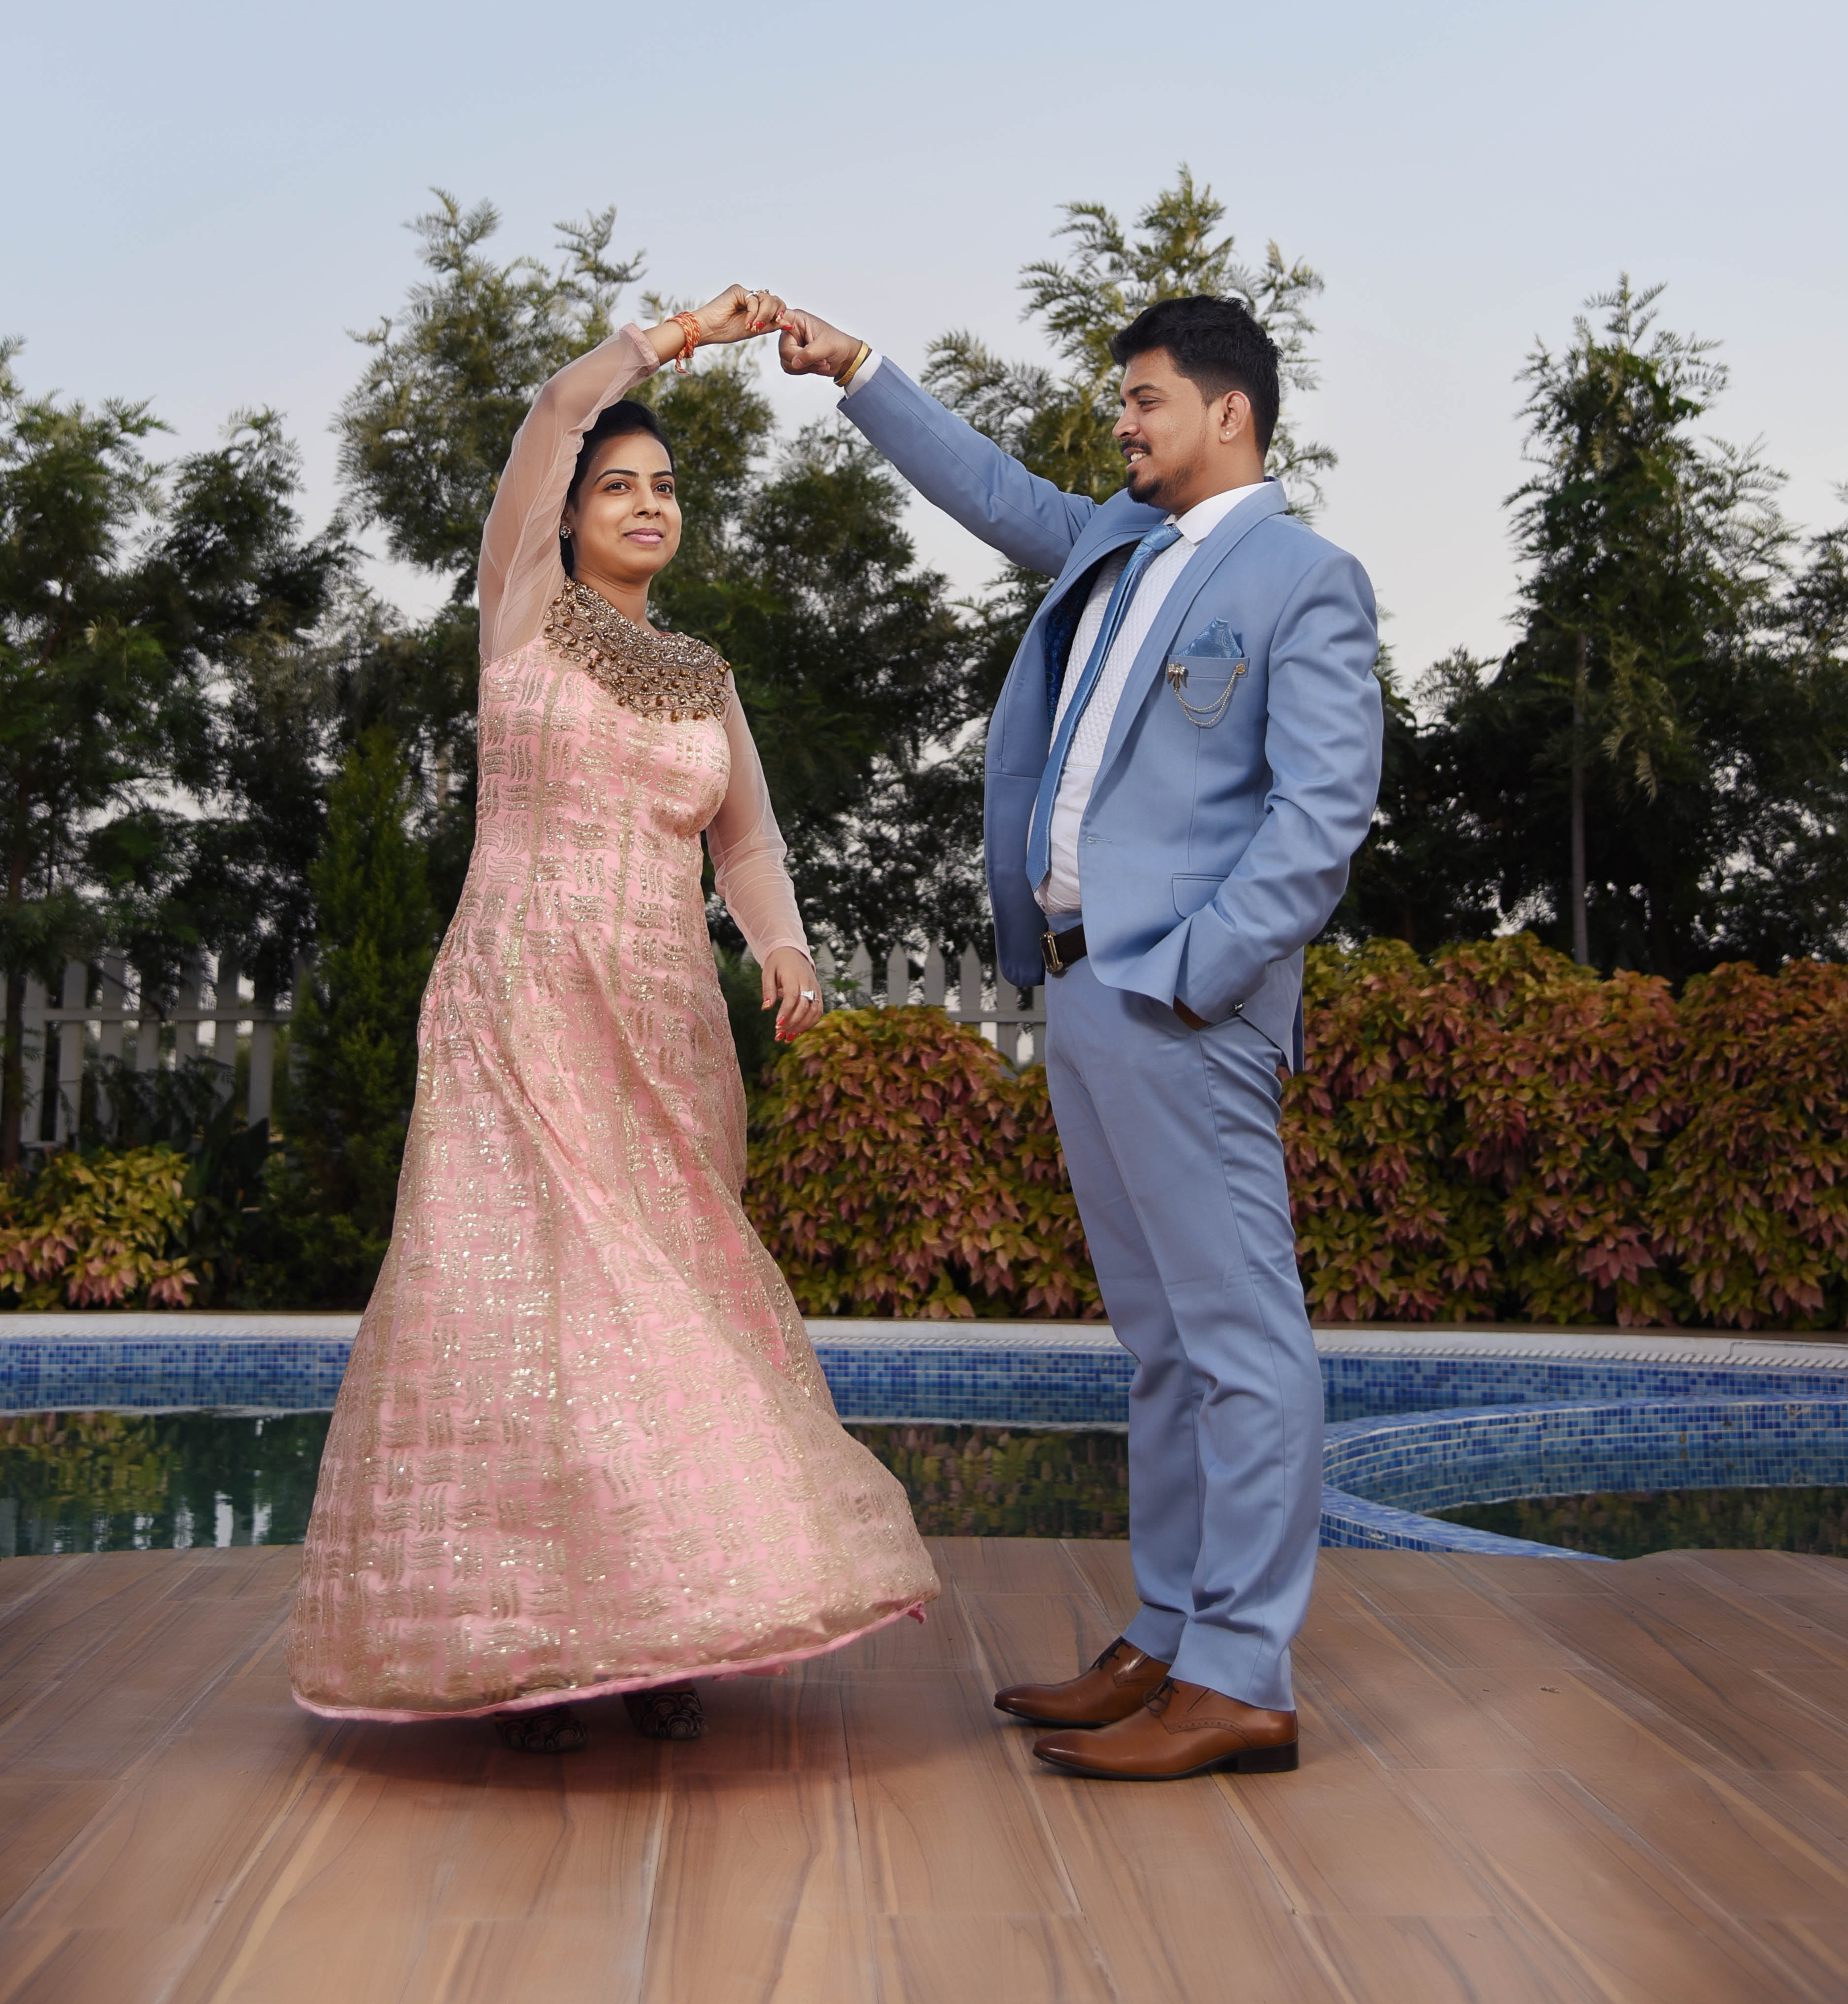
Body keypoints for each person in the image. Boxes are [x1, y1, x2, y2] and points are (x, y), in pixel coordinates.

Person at [288, 284, 937, 1751]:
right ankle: (524, 1647)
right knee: (522, 1311)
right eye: (619, 485)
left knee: (661, 1313)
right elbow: (550, 411)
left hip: (661, 1025)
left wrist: (783, 947)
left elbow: (747, 840)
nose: (649, 506)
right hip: (517, 1005)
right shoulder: (521, 615)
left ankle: (662, 1634)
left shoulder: (704, 677)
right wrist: (672, 341)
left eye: (667, 487)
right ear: (568, 514)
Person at [781, 294, 1380, 1784]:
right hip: (1081, 990)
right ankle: (1172, 1635)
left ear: (1230, 412)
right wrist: (856, 368)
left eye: (1146, 399)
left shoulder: (1304, 579)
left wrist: (1189, 974)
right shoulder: (1114, 543)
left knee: (1241, 1343)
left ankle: (1241, 1676)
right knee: (1164, 1344)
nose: (1122, 424)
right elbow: (992, 490)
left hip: (1178, 1002)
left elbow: (1319, 822)